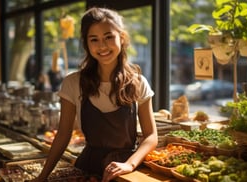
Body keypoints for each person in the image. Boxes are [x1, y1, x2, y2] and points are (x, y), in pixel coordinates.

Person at [31, 7, 158, 182]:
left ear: (122, 37)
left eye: (108, 37)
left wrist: (130, 164)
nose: (102, 46)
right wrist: (42, 177)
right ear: (86, 44)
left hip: (126, 173)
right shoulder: (72, 83)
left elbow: (151, 136)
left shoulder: (138, 82)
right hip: (87, 170)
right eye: (94, 39)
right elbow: (63, 135)